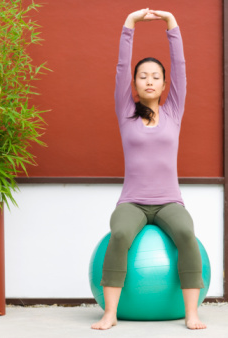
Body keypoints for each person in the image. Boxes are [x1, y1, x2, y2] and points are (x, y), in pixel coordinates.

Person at [91, 9, 206, 330]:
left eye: (156, 76)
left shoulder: (174, 110)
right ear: (135, 84)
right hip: (133, 202)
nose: (150, 81)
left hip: (170, 201)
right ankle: (110, 312)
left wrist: (171, 23)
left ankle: (191, 313)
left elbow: (181, 67)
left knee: (186, 234)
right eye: (143, 76)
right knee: (120, 234)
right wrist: (129, 23)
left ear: (165, 83)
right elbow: (120, 66)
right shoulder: (125, 109)